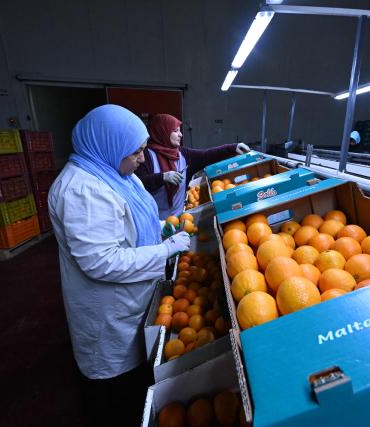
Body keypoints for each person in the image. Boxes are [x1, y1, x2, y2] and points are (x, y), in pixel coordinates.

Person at [48, 105, 190, 426]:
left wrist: (162, 226)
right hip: (107, 312)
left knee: (134, 377)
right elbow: (101, 261)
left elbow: (133, 220)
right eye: (137, 152)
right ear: (109, 144)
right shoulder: (82, 190)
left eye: (143, 149)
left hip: (132, 299)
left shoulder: (117, 175)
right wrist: (163, 251)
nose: (142, 158)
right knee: (113, 391)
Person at [135, 113, 250, 219]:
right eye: (175, 131)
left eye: (179, 131)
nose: (180, 134)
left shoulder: (183, 154)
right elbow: (137, 183)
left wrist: (233, 148)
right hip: (153, 220)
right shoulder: (146, 156)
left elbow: (206, 155)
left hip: (179, 220)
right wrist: (162, 177)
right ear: (162, 132)